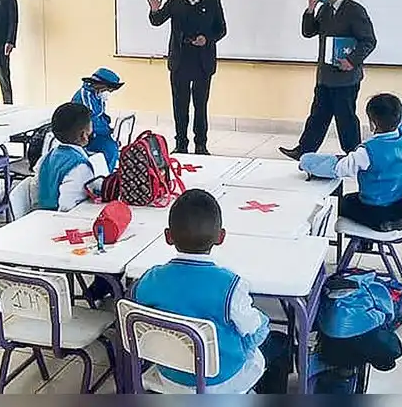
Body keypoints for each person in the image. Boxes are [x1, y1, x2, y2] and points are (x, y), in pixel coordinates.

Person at [132, 189, 290, 394]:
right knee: (279, 343)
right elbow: (252, 329)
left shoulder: (150, 279)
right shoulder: (230, 285)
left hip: (170, 376)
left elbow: (139, 311)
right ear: (221, 237)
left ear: (168, 237)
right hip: (220, 380)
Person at [300, 66, 402, 232]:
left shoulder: (367, 151)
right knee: (354, 199)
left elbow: (337, 168)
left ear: (372, 123)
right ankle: (370, 237)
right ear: (399, 117)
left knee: (343, 202)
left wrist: (306, 161)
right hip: (399, 208)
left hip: (374, 212)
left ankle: (367, 234)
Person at [280, 0, 377, 161]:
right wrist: (310, 10)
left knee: (346, 118)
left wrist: (351, 61)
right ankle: (304, 150)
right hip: (325, 76)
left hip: (346, 77)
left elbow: (369, 41)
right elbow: (308, 32)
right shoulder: (324, 9)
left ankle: (353, 155)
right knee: (317, 115)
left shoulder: (354, 10)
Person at [147, 0, 227, 155]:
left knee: (201, 106)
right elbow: (157, 21)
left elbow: (221, 29)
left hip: (203, 62)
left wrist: (207, 39)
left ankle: (201, 144)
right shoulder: (175, 0)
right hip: (179, 61)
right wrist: (155, 10)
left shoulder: (212, 0)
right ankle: (181, 143)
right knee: (180, 106)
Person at [33, 102, 97, 212]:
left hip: (42, 215)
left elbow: (35, 189)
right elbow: (67, 206)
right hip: (62, 220)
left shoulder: (47, 156)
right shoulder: (80, 167)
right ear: (84, 135)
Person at [73, 68, 124, 172]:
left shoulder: (97, 95)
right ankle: (104, 178)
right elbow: (90, 120)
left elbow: (101, 114)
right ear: (100, 84)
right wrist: (106, 132)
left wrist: (110, 129)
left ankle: (107, 175)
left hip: (97, 131)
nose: (110, 91)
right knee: (110, 149)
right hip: (85, 134)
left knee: (113, 145)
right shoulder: (85, 95)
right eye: (109, 88)